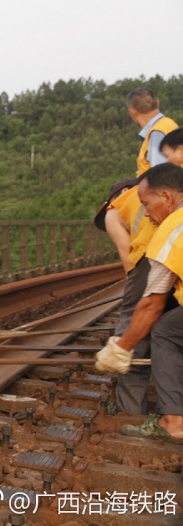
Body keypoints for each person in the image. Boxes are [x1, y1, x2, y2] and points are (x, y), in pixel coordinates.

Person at [96, 163, 183, 441]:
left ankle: (163, 419)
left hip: (148, 265)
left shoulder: (170, 229)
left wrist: (121, 348)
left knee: (162, 330)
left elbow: (150, 304)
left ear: (167, 197)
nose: (144, 212)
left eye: (146, 203)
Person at [95, 177, 152, 414]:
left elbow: (129, 256)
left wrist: (132, 291)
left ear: (125, 192)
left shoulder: (116, 210)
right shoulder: (165, 196)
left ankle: (130, 410)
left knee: (132, 328)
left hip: (148, 260)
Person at [128, 87, 179, 176]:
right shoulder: (168, 125)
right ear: (158, 103)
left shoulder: (157, 134)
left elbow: (160, 177)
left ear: (132, 111)